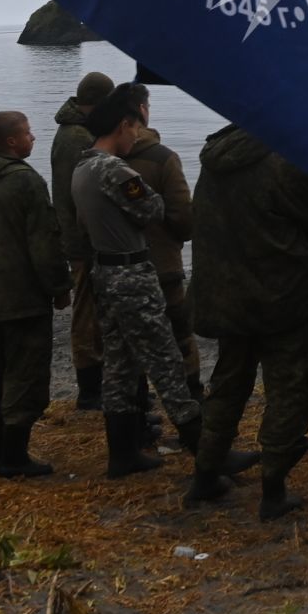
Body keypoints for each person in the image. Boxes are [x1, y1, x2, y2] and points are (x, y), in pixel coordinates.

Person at [189, 124, 308, 518]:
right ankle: (273, 488)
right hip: (280, 297)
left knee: (228, 382)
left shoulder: (213, 158)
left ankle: (204, 474)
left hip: (227, 295)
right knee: (287, 388)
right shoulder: (284, 162)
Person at [72, 84, 206, 477]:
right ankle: (207, 454)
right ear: (124, 124)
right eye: (134, 128)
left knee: (120, 366)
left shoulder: (81, 167)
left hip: (105, 272)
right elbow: (152, 207)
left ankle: (122, 453)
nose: (136, 136)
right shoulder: (113, 169)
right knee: (166, 360)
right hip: (131, 275)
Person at [0, 110, 72, 477]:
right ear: (11, 142)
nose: (33, 138)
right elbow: (44, 243)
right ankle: (14, 457)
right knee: (24, 377)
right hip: (24, 300)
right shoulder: (27, 182)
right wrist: (59, 287)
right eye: (28, 133)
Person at [121, 105, 201, 401]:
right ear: (143, 110)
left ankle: (139, 412)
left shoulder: (100, 158)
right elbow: (182, 215)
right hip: (164, 264)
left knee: (129, 342)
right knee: (181, 337)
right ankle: (192, 402)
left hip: (119, 270)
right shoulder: (163, 157)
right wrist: (178, 239)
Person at [51, 70, 114, 410]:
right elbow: (78, 193)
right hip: (83, 241)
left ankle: (97, 383)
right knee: (87, 314)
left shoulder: (76, 131)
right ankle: (90, 389)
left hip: (83, 236)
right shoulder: (76, 137)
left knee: (95, 312)